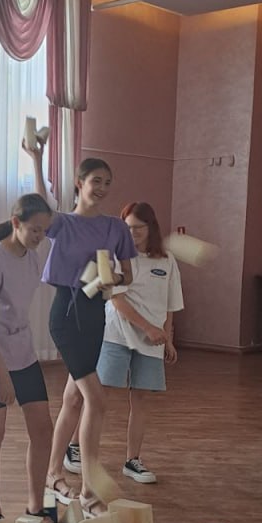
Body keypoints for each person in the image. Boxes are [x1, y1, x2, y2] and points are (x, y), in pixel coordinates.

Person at [26, 138, 136, 515]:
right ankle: (90, 491)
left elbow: (127, 275)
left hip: (95, 314)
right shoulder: (63, 223)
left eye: (107, 182)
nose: (102, 188)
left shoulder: (116, 227)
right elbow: (40, 207)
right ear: (79, 183)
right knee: (96, 399)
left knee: (74, 399)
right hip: (66, 315)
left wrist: (111, 279)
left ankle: (52, 473)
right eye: (95, 181)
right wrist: (38, 158)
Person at [65, 201, 182, 485]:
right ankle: (75, 447)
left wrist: (168, 338)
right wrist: (148, 328)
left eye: (138, 228)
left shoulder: (167, 260)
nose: (133, 233)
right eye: (127, 228)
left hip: (152, 341)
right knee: (97, 395)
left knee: (140, 399)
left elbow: (170, 304)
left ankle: (133, 460)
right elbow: (116, 300)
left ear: (151, 228)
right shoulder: (115, 257)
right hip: (115, 335)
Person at [0, 193, 56, 523]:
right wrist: (2, 376)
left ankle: (35, 506)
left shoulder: (32, 254)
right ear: (16, 223)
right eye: (34, 230)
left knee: (43, 429)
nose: (40, 237)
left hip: (22, 351)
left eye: (44, 231)